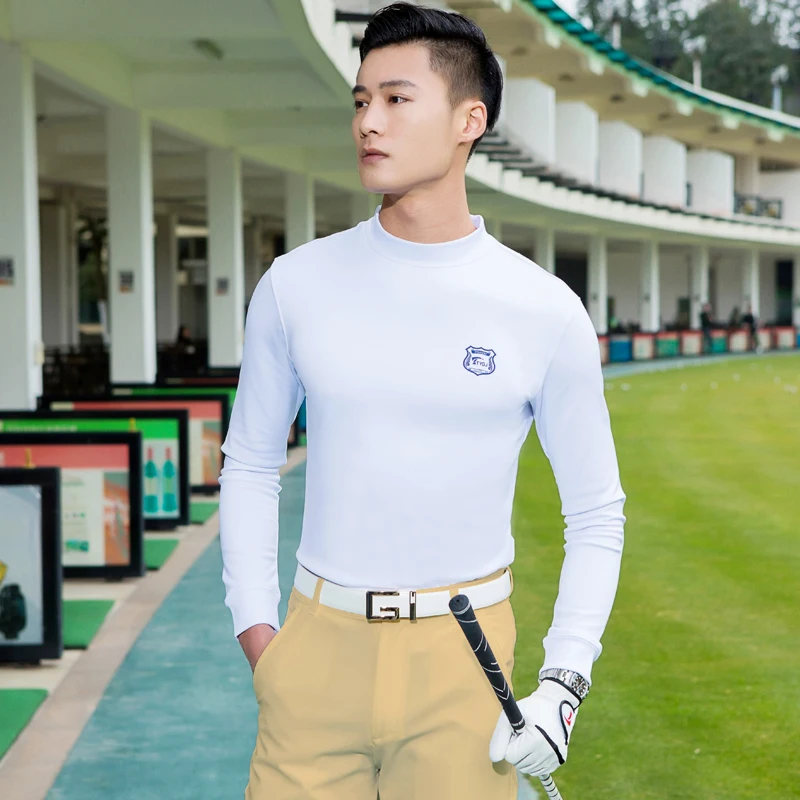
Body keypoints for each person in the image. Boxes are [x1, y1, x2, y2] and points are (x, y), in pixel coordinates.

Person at [218, 4, 626, 799]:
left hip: (464, 659)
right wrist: (259, 633)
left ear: (470, 120)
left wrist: (565, 683)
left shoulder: (542, 308)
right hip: (312, 652)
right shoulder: (295, 285)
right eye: (361, 100)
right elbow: (251, 464)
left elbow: (596, 512)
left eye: (397, 99)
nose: (368, 121)